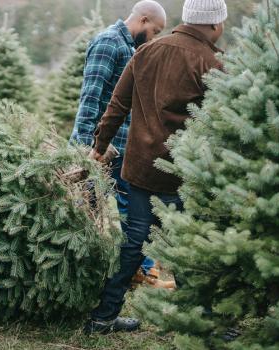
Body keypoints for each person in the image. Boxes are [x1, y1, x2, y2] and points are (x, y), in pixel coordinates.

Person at [85, 0, 227, 335]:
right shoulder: (212, 63)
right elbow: (222, 126)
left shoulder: (147, 51)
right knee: (185, 246)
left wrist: (99, 147)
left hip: (138, 170)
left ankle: (102, 318)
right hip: (182, 173)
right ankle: (201, 322)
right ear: (214, 24)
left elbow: (116, 105)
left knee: (133, 242)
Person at [70, 0, 167, 311]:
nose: (153, 37)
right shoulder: (108, 44)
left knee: (134, 213)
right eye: (154, 30)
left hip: (123, 148)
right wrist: (89, 146)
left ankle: (143, 268)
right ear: (142, 19)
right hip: (100, 150)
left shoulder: (132, 48)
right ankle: (85, 283)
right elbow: (91, 96)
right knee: (88, 214)